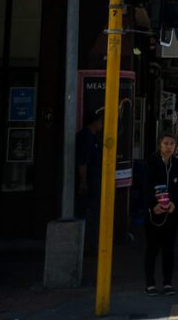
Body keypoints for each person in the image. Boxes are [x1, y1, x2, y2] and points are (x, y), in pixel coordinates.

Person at [142, 133, 178, 296]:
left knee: (169, 249)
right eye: (166, 143)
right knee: (152, 249)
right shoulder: (151, 162)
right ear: (160, 144)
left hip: (172, 214)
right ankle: (150, 283)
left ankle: (168, 283)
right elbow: (146, 185)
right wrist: (153, 205)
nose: (169, 146)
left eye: (172, 144)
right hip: (153, 213)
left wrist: (174, 202)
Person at [75, 108, 104, 253]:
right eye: (100, 122)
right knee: (90, 212)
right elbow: (83, 161)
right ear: (94, 123)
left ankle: (91, 243)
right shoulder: (86, 137)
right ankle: (89, 245)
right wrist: (83, 181)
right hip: (90, 180)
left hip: (94, 179)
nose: (102, 125)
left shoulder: (92, 137)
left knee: (93, 211)